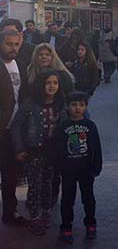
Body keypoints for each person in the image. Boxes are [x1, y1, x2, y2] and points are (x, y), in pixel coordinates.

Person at [10, 70, 66, 235]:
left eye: (55, 83)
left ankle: (46, 213)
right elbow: (16, 125)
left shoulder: (60, 104)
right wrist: (19, 148)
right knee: (34, 185)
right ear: (41, 85)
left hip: (52, 152)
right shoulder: (30, 104)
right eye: (48, 83)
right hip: (33, 152)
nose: (51, 86)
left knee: (48, 184)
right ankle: (34, 217)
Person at [54, 91, 102, 243]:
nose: (77, 108)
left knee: (88, 198)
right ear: (68, 107)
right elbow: (59, 149)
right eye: (74, 105)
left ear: (86, 106)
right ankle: (66, 227)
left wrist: (96, 166)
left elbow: (96, 147)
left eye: (81, 105)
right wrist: (59, 168)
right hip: (69, 170)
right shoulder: (63, 126)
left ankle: (91, 224)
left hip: (86, 169)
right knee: (67, 199)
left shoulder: (90, 126)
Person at [0, 29, 29, 225]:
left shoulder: (21, 65)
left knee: (10, 175)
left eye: (16, 44)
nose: (13, 48)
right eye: (9, 44)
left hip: (14, 131)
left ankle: (10, 213)